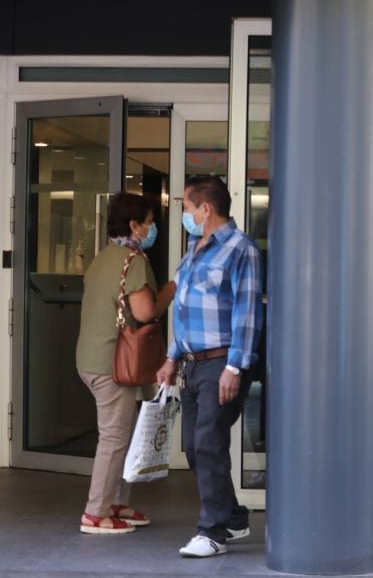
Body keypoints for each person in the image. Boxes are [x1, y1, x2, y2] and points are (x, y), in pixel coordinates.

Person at [157, 176, 263, 558]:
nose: (184, 214)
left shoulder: (240, 249)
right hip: (192, 363)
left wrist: (235, 368)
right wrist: (172, 356)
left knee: (209, 442)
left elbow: (246, 313)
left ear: (206, 209)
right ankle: (233, 517)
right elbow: (185, 311)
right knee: (194, 446)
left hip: (222, 362)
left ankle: (212, 531)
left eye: (186, 207)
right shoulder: (193, 249)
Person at [75, 193, 175, 534]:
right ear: (134, 225)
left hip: (91, 358)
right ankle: (96, 513)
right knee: (115, 437)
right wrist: (171, 290)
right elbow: (146, 311)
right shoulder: (133, 260)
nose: (151, 228)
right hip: (111, 363)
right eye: (148, 221)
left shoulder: (103, 257)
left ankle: (114, 503)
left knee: (120, 434)